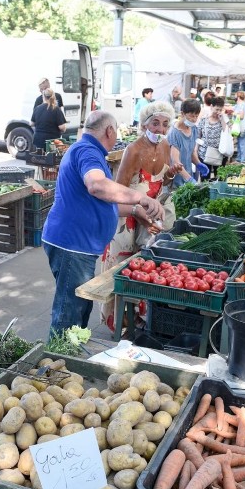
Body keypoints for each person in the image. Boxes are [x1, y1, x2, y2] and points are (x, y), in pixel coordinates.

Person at [42, 110, 163, 335]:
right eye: (115, 132)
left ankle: (70, 359)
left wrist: (136, 210)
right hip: (72, 245)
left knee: (78, 310)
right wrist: (140, 196)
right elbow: (97, 186)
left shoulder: (86, 150)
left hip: (76, 244)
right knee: (68, 314)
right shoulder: (87, 151)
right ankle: (55, 362)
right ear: (109, 131)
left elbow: (102, 203)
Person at [100, 101, 180, 331]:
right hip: (128, 220)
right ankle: (119, 326)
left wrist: (171, 176)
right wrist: (138, 211)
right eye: (155, 123)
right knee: (121, 273)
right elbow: (117, 192)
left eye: (165, 124)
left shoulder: (165, 147)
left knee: (145, 271)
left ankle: (138, 323)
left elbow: (160, 184)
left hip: (150, 219)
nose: (160, 129)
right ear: (145, 124)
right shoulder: (132, 150)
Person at [168, 98, 204, 185]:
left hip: (188, 174)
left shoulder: (194, 129)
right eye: (191, 116)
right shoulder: (174, 133)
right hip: (176, 180)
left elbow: (191, 152)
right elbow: (175, 162)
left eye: (196, 116)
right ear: (182, 113)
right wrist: (189, 179)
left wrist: (198, 163)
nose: (194, 119)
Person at [197, 96, 228, 178]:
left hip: (220, 154)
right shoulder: (204, 119)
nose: (218, 112)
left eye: (220, 110)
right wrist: (195, 151)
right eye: (216, 109)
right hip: (204, 153)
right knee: (204, 178)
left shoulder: (224, 119)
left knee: (219, 178)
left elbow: (227, 133)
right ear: (211, 107)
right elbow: (198, 137)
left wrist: (222, 120)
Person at [232, 90, 245, 162]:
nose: (234, 97)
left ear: (238, 96)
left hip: (244, 128)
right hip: (241, 127)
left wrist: (234, 114)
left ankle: (243, 160)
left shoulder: (242, 104)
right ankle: (239, 159)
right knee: (239, 144)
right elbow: (232, 108)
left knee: (242, 144)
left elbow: (241, 116)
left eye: (235, 95)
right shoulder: (239, 104)